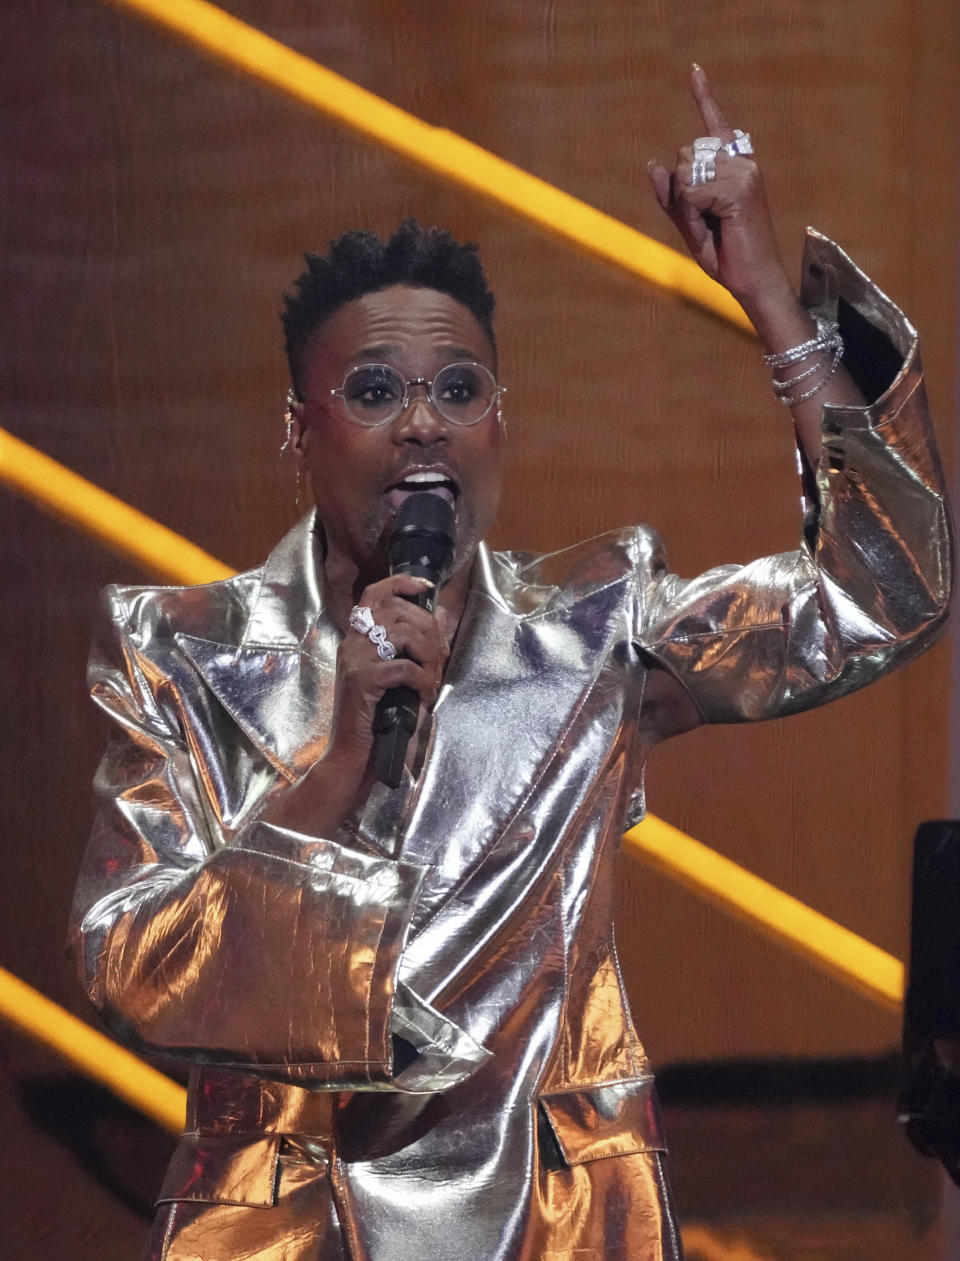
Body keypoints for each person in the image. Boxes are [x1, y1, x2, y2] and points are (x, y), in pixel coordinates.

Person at [69, 68, 951, 1260]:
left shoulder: (590, 631)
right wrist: (335, 765)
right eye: (376, 389)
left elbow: (879, 593)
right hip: (287, 1218)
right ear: (299, 424)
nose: (423, 421)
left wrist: (766, 299)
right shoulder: (185, 651)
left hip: (556, 1215)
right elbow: (130, 960)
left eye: (458, 388)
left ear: (501, 421)